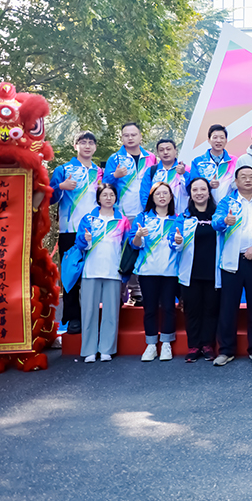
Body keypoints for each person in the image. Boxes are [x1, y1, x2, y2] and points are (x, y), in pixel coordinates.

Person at [212, 165, 252, 366]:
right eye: (243, 177)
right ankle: (226, 350)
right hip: (232, 261)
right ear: (236, 181)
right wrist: (224, 220)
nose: (247, 180)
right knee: (228, 307)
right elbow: (215, 222)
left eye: (251, 176)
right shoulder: (227, 201)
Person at [50, 130, 103, 334]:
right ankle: (72, 317)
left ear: (95, 147)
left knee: (92, 273)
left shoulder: (99, 172)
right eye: (83, 142)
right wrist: (61, 186)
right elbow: (49, 197)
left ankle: (91, 315)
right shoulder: (63, 169)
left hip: (95, 230)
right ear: (76, 146)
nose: (87, 146)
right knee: (71, 273)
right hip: (70, 229)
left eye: (91, 142)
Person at [72, 183, 129, 362]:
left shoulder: (122, 220)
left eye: (111, 194)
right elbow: (79, 244)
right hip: (91, 271)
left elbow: (127, 247)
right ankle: (89, 349)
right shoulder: (88, 219)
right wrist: (85, 239)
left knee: (111, 312)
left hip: (113, 270)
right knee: (88, 312)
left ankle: (106, 348)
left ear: (116, 197)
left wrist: (125, 272)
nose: (108, 198)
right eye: (104, 195)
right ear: (98, 198)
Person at [131, 182, 184, 362]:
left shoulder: (178, 219)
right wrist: (138, 236)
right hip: (147, 271)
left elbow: (179, 246)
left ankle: (167, 343)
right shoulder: (143, 218)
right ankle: (151, 344)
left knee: (168, 307)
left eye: (165, 193)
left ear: (171, 197)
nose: (162, 196)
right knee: (150, 308)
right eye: (158, 194)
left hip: (170, 272)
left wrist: (179, 241)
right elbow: (134, 245)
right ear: (152, 198)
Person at [105, 122, 156, 303]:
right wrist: (115, 175)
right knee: (121, 252)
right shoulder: (115, 159)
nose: (130, 138)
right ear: (122, 138)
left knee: (140, 250)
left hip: (144, 213)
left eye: (134, 134)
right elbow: (104, 185)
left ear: (140, 136)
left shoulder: (151, 158)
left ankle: (136, 291)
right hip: (121, 214)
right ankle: (119, 292)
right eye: (126, 135)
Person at [177, 177, 220, 363]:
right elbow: (174, 241)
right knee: (192, 310)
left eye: (203, 189)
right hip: (191, 272)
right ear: (190, 194)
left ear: (209, 193)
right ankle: (194, 346)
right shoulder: (184, 217)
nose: (199, 193)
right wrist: (176, 241)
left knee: (211, 309)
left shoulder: (219, 216)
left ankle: (208, 345)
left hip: (213, 272)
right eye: (195, 190)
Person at [188, 124, 236, 204]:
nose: (218, 141)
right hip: (204, 206)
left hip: (227, 206)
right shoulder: (198, 162)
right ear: (209, 140)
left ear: (226, 140)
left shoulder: (234, 161)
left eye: (222, 138)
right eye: (215, 137)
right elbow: (192, 184)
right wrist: (208, 184)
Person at [140, 138, 188, 216]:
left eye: (168, 149)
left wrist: (184, 173)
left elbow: (192, 191)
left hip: (181, 216)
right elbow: (145, 194)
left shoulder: (186, 169)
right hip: (157, 217)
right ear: (157, 153)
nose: (165, 152)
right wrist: (151, 214)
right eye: (161, 150)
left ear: (175, 151)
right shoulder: (152, 171)